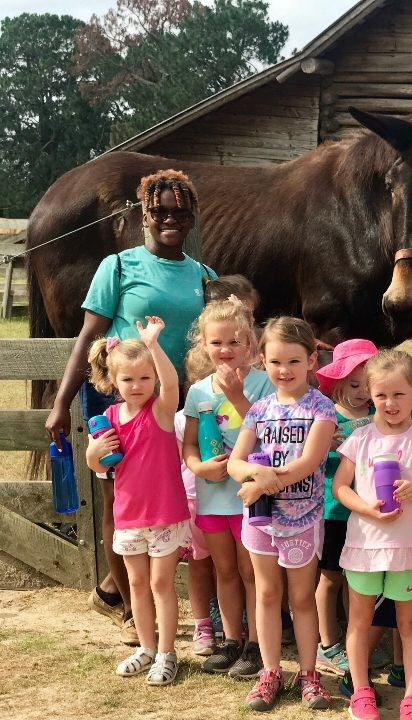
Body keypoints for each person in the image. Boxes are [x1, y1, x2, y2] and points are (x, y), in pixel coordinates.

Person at [45, 169, 215, 646]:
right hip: (118, 396)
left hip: (174, 401)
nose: (169, 219)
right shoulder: (118, 267)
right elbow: (86, 338)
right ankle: (128, 602)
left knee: (174, 497)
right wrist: (61, 403)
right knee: (119, 501)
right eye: (160, 211)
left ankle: (114, 591)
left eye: (180, 212)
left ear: (191, 217)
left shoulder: (204, 275)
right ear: (144, 213)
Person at [333, 349, 412, 720]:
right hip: (366, 545)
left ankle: (411, 697)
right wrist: (365, 508)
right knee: (359, 621)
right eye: (381, 395)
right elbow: (341, 487)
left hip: (408, 548)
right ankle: (362, 691)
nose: (390, 403)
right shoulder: (360, 439)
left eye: (399, 394)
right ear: (370, 393)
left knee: (410, 623)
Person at [228, 317, 336, 711]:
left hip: (303, 518)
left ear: (311, 360)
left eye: (293, 361)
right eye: (275, 362)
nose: (284, 370)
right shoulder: (259, 409)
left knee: (302, 598)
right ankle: (270, 672)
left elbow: (309, 462)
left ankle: (309, 674)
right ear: (262, 360)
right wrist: (253, 475)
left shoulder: (321, 409)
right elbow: (234, 464)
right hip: (260, 521)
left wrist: (261, 481)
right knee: (267, 593)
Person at [85, 316, 190, 686]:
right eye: (128, 379)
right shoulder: (109, 417)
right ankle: (146, 648)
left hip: (164, 515)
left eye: (145, 378)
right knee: (137, 585)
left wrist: (153, 343)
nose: (137, 385)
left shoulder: (160, 412)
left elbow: (173, 382)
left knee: (161, 585)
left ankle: (166, 653)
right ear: (113, 381)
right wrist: (93, 452)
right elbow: (98, 465)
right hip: (128, 516)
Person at [182, 299, 273, 679]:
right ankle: (231, 639)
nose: (226, 350)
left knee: (251, 571)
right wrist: (199, 466)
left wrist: (236, 396)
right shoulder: (198, 391)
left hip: (250, 496)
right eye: (217, 342)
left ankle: (256, 643)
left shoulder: (264, 382)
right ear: (203, 344)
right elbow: (188, 445)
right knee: (224, 570)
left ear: (251, 343)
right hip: (212, 496)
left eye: (235, 342)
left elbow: (270, 431)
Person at [314, 338, 378, 677]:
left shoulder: (377, 414)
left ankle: (358, 638)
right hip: (332, 509)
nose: (362, 393)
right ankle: (328, 643)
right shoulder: (325, 415)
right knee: (330, 577)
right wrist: (325, 445)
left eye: (369, 385)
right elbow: (308, 460)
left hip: (366, 511)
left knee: (357, 579)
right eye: (354, 384)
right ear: (337, 382)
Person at [173, 409, 217, 657]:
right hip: (192, 500)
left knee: (227, 566)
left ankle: (233, 622)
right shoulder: (181, 419)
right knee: (198, 564)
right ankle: (203, 624)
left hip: (227, 501)